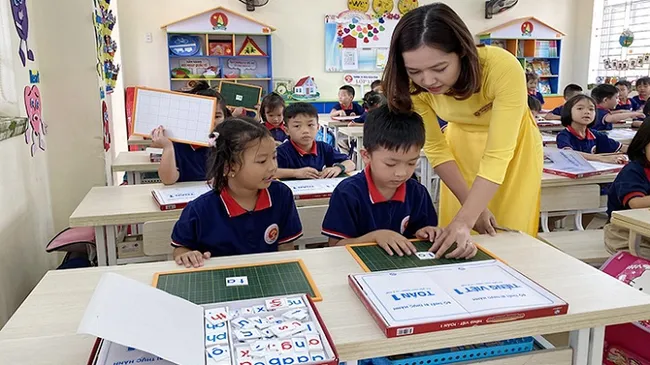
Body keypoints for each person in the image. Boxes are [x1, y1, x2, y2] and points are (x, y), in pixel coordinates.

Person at [383, 3, 542, 252]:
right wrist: (468, 209)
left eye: (439, 68)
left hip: (513, 149)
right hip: (460, 150)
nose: (427, 80)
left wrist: (466, 218)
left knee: (509, 234)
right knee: (457, 233)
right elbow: (436, 147)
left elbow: (498, 153)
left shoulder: (500, 68)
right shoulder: (412, 87)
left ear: (462, 52)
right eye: (414, 71)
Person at [320, 106, 457, 257]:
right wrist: (375, 237)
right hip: (358, 268)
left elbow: (422, 233)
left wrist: (426, 233)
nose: (401, 173)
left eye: (411, 163)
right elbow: (335, 246)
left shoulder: (417, 192)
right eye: (390, 164)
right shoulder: (348, 193)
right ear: (366, 156)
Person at [171, 117, 303, 268]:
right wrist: (187, 255)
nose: (273, 167)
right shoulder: (200, 210)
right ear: (229, 167)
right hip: (219, 281)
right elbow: (180, 248)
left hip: (267, 278)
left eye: (274, 157)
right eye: (261, 161)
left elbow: (286, 248)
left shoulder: (281, 195)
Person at [152, 89, 230, 185]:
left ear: (225, 118)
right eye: (205, 116)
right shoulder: (179, 142)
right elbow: (168, 180)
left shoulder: (227, 142)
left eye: (217, 116)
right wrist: (168, 147)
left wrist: (223, 179)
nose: (211, 121)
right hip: (183, 195)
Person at [605, 118, 650, 258]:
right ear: (643, 146)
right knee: (643, 257)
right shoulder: (633, 171)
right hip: (624, 230)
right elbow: (635, 203)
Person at [275, 103, 355, 180]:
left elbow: (351, 164)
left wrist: (338, 168)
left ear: (318, 127)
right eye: (297, 126)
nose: (305, 131)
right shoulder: (282, 151)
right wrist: (296, 173)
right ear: (286, 130)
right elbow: (270, 172)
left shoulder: (324, 148)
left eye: (310, 125)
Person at [556, 94, 627, 164]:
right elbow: (569, 154)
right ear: (568, 112)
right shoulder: (563, 135)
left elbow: (622, 147)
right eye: (580, 108)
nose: (587, 112)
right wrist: (601, 158)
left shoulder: (596, 135)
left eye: (591, 109)